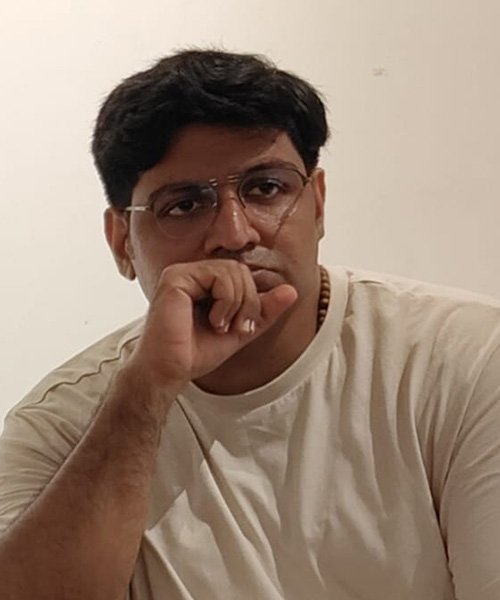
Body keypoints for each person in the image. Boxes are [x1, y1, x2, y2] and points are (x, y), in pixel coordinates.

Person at [0, 49, 499, 600]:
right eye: (184, 204)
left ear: (318, 204)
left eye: (266, 189)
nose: (235, 234)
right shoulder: (58, 429)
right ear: (122, 243)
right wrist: (148, 389)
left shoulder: (468, 359)